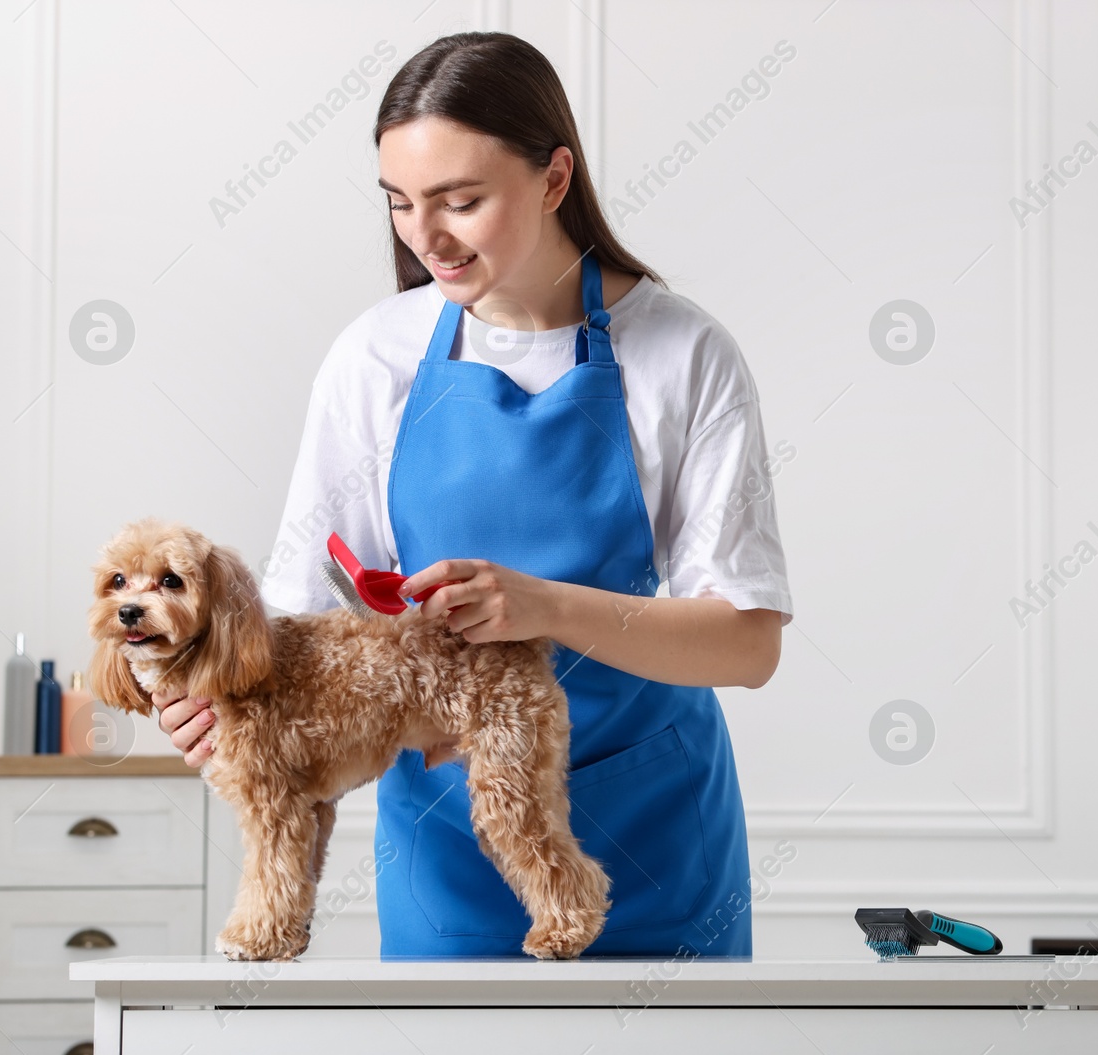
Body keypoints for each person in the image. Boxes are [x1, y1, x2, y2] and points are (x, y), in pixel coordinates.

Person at [153, 31, 793, 959]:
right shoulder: (374, 359)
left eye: (462, 201)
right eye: (401, 204)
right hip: (446, 849)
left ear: (554, 177)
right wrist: (207, 701)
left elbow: (748, 643)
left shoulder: (684, 355)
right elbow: (286, 627)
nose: (426, 237)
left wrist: (539, 605)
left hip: (656, 833)